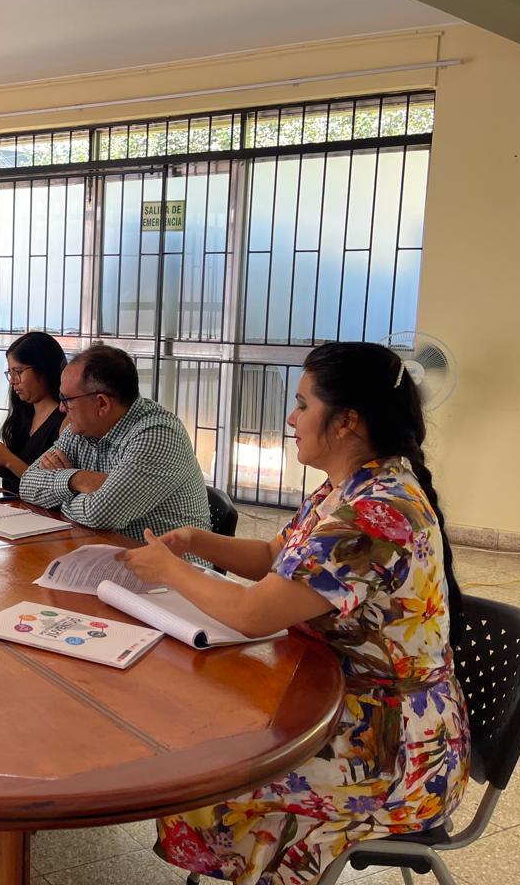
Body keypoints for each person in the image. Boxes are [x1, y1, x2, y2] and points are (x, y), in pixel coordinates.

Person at [119, 342, 469, 885]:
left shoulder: (375, 510)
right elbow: (270, 558)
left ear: (347, 421)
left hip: (392, 748)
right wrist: (194, 540)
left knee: (211, 777)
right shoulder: (348, 487)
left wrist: (170, 571)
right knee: (204, 740)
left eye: (303, 404)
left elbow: (253, 614)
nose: (291, 417)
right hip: (344, 704)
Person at [19, 343, 209, 539]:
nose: (61, 408)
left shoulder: (158, 435)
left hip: (167, 565)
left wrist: (62, 491)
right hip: (105, 554)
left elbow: (99, 515)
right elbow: (26, 485)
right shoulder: (80, 429)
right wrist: (77, 479)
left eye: (67, 399)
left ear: (102, 403)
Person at [0, 331, 67, 493]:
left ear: (43, 369)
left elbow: (54, 487)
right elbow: (14, 477)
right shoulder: (24, 414)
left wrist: (8, 459)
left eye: (19, 372)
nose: (13, 380)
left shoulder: (65, 422)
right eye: (10, 372)